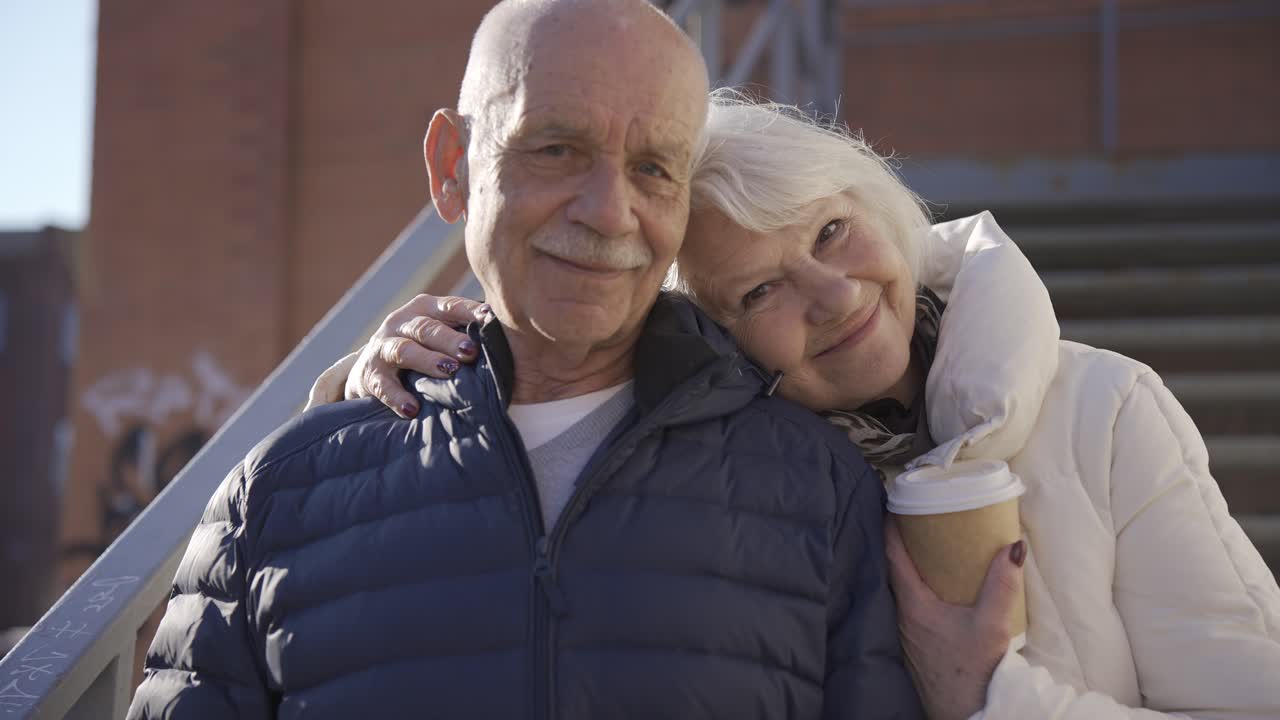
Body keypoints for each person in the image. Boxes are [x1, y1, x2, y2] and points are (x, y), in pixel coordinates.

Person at [316, 92, 1280, 719]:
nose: (834, 293)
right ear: (708, 342)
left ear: (880, 207)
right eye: (758, 294)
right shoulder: (714, 475)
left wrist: (994, 698)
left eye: (831, 230)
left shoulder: (1102, 410)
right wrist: (397, 370)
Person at [128, 2, 925, 718]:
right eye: (557, 148)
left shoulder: (818, 486)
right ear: (453, 169)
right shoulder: (278, 492)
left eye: (653, 168)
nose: (611, 210)